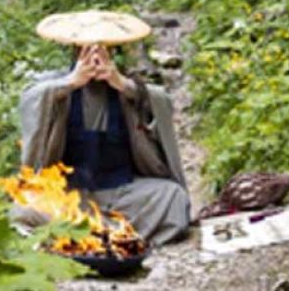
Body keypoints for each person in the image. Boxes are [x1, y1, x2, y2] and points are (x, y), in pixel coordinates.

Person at [14, 16, 191, 246]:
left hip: (123, 193)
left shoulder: (126, 84)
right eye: (87, 51)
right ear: (75, 52)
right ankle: (104, 236)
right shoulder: (56, 83)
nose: (95, 58)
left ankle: (94, 238)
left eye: (101, 50)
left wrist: (121, 83)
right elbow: (30, 99)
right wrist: (71, 83)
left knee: (173, 197)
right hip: (70, 195)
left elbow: (162, 102)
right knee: (25, 205)